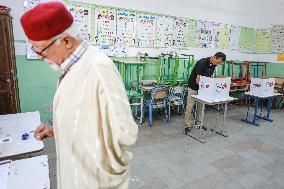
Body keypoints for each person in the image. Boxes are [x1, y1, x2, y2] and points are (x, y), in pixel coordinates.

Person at [20, 2, 138, 189]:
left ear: (66, 41)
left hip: (94, 182)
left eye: (41, 50)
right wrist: (57, 130)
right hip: (75, 177)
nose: (41, 56)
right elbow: (85, 119)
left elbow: (126, 134)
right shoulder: (71, 66)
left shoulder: (98, 68)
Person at [184, 52, 226, 134]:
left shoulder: (213, 65)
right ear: (214, 57)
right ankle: (187, 126)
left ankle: (198, 123)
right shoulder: (202, 62)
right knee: (189, 107)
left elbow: (209, 78)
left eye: (219, 63)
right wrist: (206, 87)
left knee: (201, 106)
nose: (217, 64)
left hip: (202, 89)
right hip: (193, 87)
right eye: (218, 62)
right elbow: (198, 79)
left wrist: (210, 87)